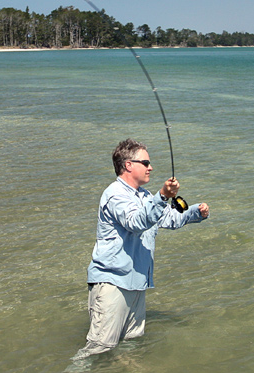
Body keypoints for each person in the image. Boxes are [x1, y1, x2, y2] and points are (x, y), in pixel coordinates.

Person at [73, 138, 210, 360]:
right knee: (98, 348)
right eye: (145, 162)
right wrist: (163, 196)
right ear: (128, 165)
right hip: (113, 282)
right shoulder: (115, 194)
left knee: (131, 345)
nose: (151, 167)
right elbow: (135, 222)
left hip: (137, 283)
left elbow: (170, 219)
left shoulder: (145, 196)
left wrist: (197, 212)